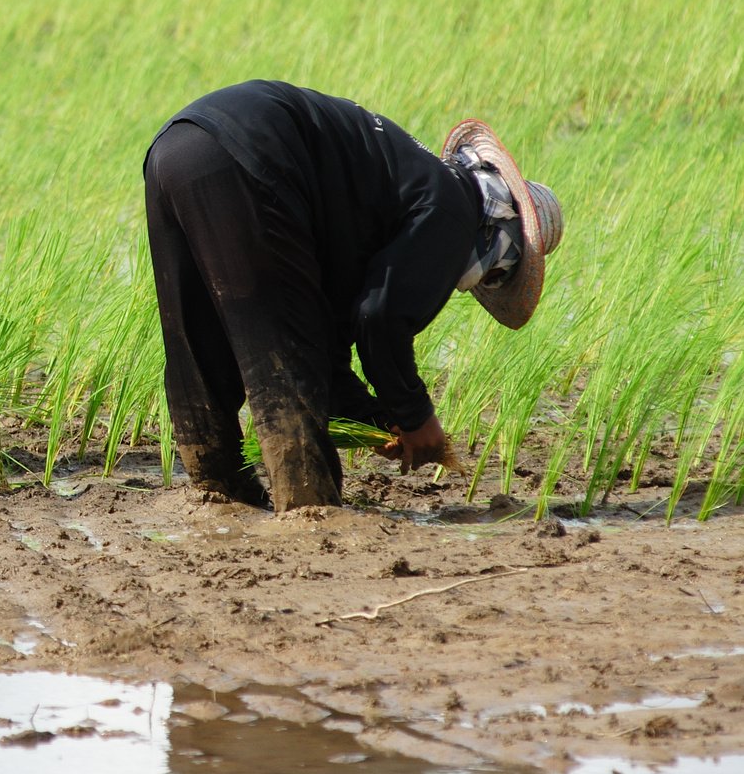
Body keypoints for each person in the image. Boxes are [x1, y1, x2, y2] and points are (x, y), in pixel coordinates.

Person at [143, 80, 563, 511]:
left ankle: (217, 493)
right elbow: (379, 318)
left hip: (173, 148)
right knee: (282, 362)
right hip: (250, 153)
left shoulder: (401, 190)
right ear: (502, 238)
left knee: (197, 341)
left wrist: (379, 420)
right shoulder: (452, 210)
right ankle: (309, 509)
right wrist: (416, 417)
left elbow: (326, 341)